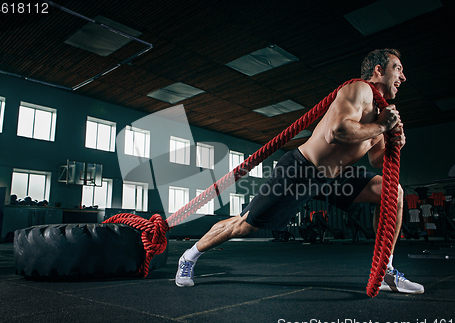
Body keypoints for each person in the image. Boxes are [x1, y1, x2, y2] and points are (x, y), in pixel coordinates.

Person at [175, 49, 424, 294]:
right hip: (301, 170)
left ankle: (386, 270)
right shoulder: (359, 89)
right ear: (378, 71)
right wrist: (381, 126)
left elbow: (376, 160)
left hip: (335, 177)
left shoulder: (383, 113)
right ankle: (189, 256)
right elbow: (336, 132)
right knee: (243, 226)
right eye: (398, 69)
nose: (403, 78)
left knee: (392, 192)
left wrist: (394, 142)